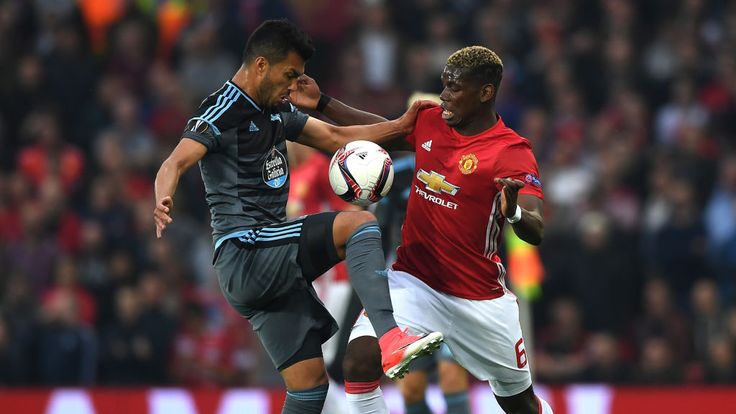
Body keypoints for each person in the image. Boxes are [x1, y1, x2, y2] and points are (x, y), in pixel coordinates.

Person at [153, 19, 442, 414]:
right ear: (259, 66)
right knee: (359, 225)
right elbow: (175, 161)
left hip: (265, 263)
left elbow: (338, 138)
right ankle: (390, 338)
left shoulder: (277, 110)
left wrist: (401, 126)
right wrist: (163, 199)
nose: (293, 85)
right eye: (289, 75)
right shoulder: (221, 109)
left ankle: (386, 339)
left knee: (309, 388)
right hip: (246, 250)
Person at [290, 46, 553, 413]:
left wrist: (514, 216)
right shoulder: (431, 120)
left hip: (478, 298)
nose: (443, 95)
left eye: (454, 88)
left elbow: (536, 227)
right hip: (414, 280)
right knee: (359, 362)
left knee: (519, 402)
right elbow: (377, 128)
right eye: (443, 85)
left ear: (485, 92)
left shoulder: (511, 152)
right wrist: (322, 103)